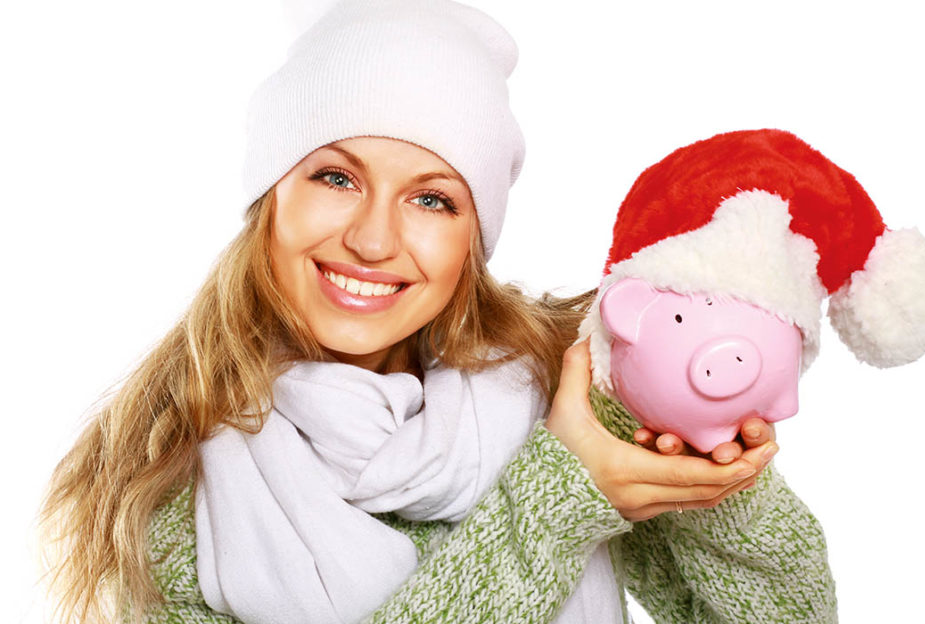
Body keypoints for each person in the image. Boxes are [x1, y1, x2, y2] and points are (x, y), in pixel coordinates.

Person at [39, 0, 836, 622]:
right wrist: (560, 494)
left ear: (472, 239)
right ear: (269, 199)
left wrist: (711, 479)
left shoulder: (563, 389)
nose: (374, 239)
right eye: (335, 178)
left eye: (432, 198)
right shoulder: (164, 477)